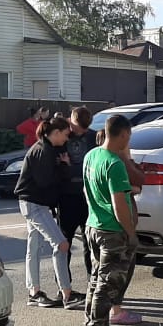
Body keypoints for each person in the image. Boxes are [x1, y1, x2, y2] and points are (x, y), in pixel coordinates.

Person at [81, 115, 139, 326]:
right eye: (129, 136)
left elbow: (86, 189)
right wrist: (130, 233)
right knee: (107, 286)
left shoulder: (91, 156)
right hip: (112, 233)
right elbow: (120, 205)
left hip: (93, 226)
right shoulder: (115, 164)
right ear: (124, 135)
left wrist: (96, 211)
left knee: (96, 282)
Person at [15, 117, 84, 309]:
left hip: (32, 203)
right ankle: (67, 295)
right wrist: (64, 166)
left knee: (34, 247)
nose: (67, 139)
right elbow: (46, 181)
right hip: (35, 205)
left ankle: (34, 292)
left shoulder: (45, 148)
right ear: (55, 133)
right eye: (65, 135)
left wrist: (61, 164)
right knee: (61, 244)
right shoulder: (43, 152)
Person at [59, 107, 96, 277]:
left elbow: (93, 168)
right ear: (71, 119)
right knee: (64, 242)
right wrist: (69, 169)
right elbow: (57, 166)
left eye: (83, 129)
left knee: (90, 242)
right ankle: (64, 286)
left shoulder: (93, 137)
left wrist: (70, 167)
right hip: (67, 196)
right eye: (76, 127)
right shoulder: (62, 135)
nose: (78, 131)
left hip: (87, 196)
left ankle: (92, 281)